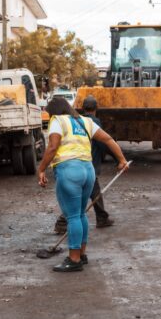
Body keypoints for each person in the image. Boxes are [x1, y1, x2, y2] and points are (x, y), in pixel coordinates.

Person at [37, 97, 129, 273]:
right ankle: (81, 254)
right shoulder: (85, 121)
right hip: (88, 171)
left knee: (72, 217)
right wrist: (121, 159)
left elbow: (52, 147)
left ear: (54, 111)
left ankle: (74, 259)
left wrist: (41, 169)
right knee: (80, 214)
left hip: (69, 171)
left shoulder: (58, 121)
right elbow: (108, 139)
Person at [53, 96, 114, 235]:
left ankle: (102, 217)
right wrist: (115, 158)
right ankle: (62, 222)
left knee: (93, 192)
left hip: (77, 162)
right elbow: (103, 142)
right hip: (88, 164)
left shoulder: (77, 120)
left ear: (82, 108)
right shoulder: (94, 121)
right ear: (96, 108)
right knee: (79, 197)